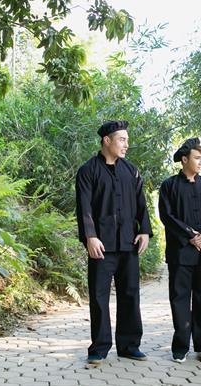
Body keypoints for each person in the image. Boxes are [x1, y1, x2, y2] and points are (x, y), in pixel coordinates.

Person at [75, 120, 152, 364]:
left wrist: (144, 231)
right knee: (99, 297)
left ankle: (129, 346)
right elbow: (84, 207)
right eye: (122, 139)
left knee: (130, 294)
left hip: (129, 243)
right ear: (106, 140)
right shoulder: (88, 171)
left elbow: (141, 204)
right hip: (101, 246)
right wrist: (90, 236)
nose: (126, 144)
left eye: (127, 140)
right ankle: (99, 347)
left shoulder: (131, 171)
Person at [158, 138, 201, 364]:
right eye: (197, 158)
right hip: (180, 253)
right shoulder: (169, 186)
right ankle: (181, 347)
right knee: (180, 300)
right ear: (184, 160)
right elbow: (167, 216)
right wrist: (190, 235)